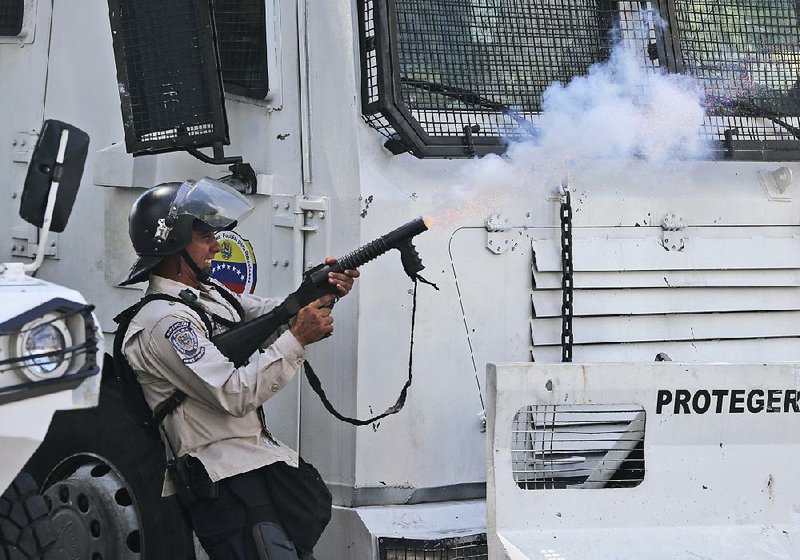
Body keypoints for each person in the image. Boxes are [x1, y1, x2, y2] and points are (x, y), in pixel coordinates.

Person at [114, 177, 358, 560]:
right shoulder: (164, 322)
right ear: (172, 242)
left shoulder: (212, 297)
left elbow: (278, 314)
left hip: (254, 468)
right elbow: (233, 392)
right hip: (223, 480)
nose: (215, 242)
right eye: (203, 234)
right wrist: (297, 337)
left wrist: (321, 292)